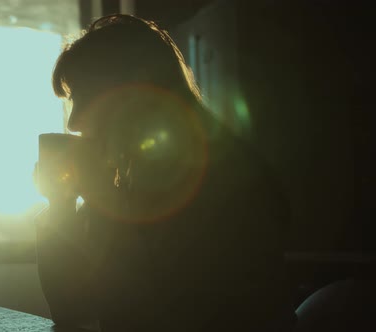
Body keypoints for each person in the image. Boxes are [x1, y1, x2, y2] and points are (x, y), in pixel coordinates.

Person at [35, 14, 296, 332]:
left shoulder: (218, 175)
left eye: (84, 95)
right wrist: (60, 203)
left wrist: (104, 203)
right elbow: (71, 307)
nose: (73, 123)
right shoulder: (130, 175)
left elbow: (133, 314)